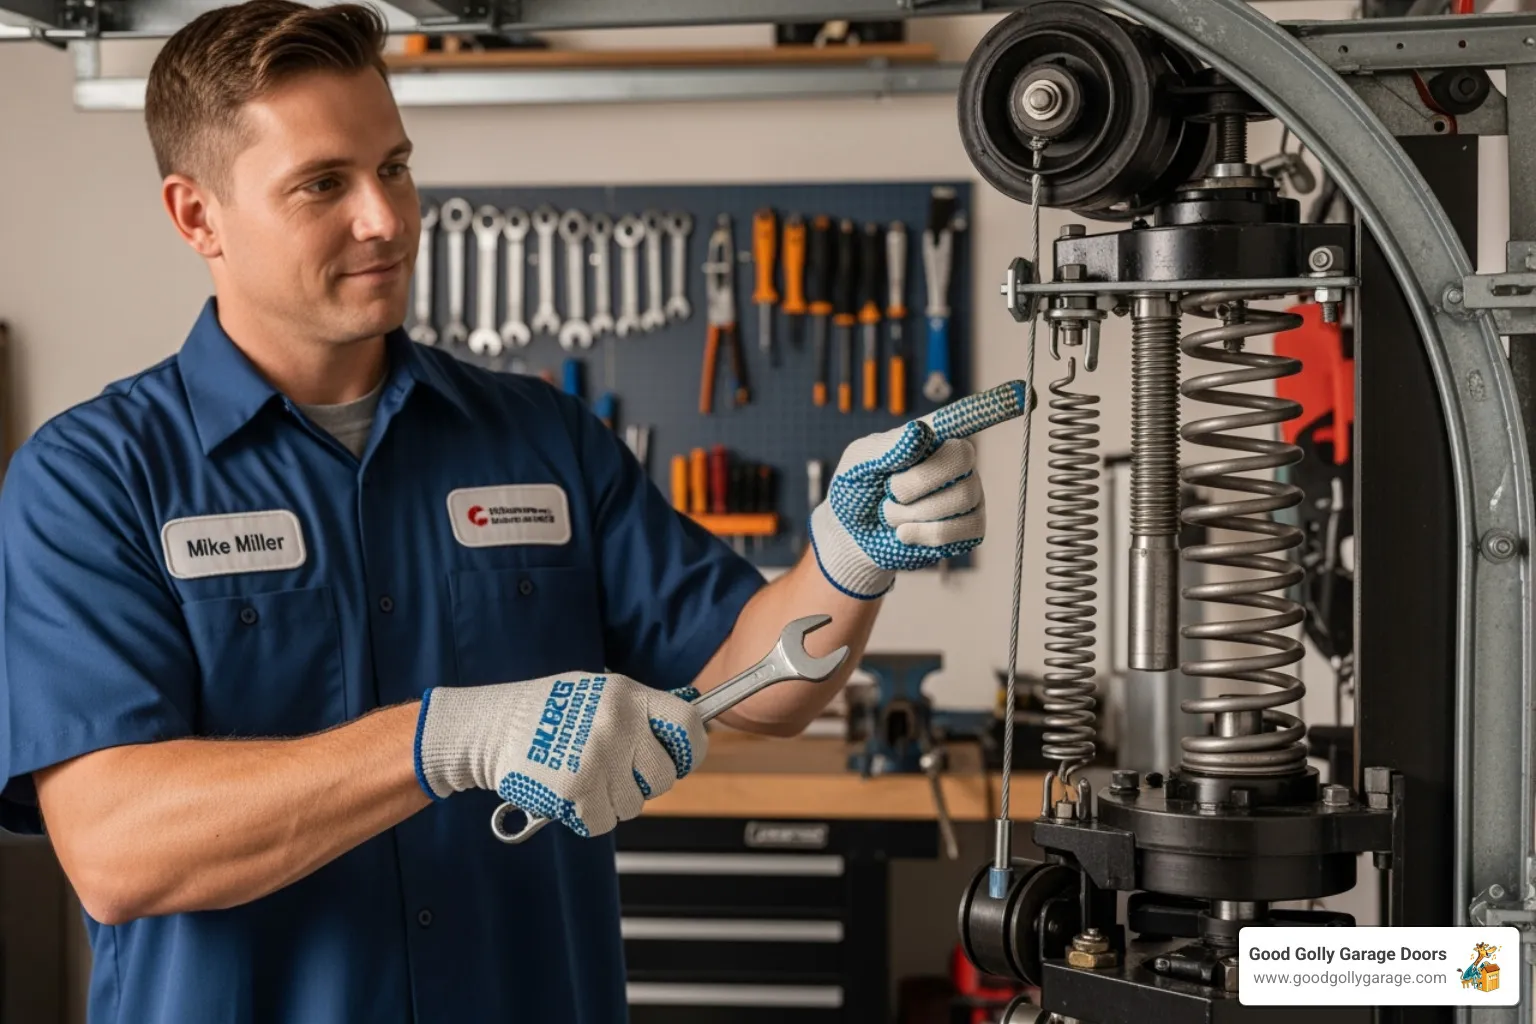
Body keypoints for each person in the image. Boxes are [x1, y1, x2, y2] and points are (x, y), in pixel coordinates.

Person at [0, 2, 1024, 1022]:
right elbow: (118, 849)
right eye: (323, 184)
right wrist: (447, 737)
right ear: (196, 216)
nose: (387, 219)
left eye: (395, 167)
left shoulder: (541, 437)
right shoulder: (93, 480)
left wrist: (844, 564)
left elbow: (755, 686)